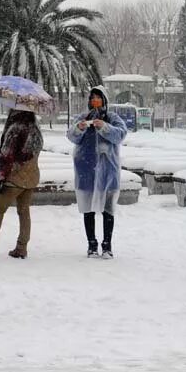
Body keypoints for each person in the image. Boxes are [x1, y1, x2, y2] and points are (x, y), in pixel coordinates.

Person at [0, 108, 44, 260]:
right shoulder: (35, 129)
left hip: (14, 178)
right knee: (24, 212)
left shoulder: (15, 129)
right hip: (30, 177)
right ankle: (22, 247)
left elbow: (7, 156)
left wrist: (1, 178)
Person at [69, 87, 129, 258]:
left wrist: (104, 127)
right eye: (93, 98)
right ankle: (92, 245)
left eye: (98, 98)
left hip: (108, 172)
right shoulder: (83, 117)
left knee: (107, 209)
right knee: (88, 209)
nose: (95, 100)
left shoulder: (112, 118)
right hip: (86, 170)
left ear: (104, 100)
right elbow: (71, 136)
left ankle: (107, 245)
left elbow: (121, 135)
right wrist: (79, 128)